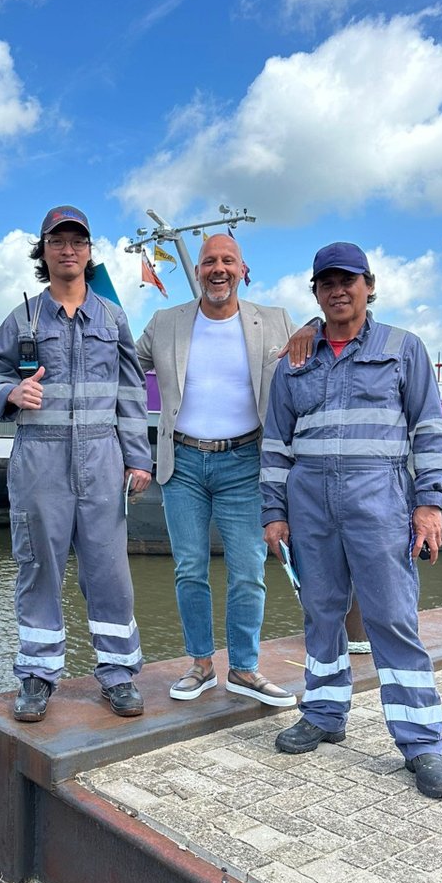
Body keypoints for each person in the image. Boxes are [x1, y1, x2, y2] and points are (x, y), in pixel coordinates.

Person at [261, 242, 442, 800]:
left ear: (369, 285)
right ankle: (324, 712)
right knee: (320, 610)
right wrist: (273, 512)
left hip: (381, 500)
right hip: (310, 504)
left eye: (348, 280)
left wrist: (429, 503)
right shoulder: (295, 360)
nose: (338, 290)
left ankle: (422, 742)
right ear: (316, 293)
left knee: (392, 617)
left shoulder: (404, 348)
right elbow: (276, 443)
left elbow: (429, 430)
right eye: (327, 282)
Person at [0, 206, 153, 723]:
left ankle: (118, 674)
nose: (68, 250)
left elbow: (131, 391)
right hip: (40, 459)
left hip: (101, 456)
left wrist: (138, 456)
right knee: (39, 566)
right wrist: (10, 391)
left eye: (77, 242)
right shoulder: (22, 319)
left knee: (109, 570)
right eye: (58, 242)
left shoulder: (112, 318)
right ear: (44, 251)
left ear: (88, 251)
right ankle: (37, 676)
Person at [135, 233, 311, 707]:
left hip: (246, 461)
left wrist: (312, 325)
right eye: (209, 260)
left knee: (248, 569)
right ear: (198, 272)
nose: (217, 268)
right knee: (189, 568)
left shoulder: (274, 321)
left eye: (227, 260)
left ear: (242, 269)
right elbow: (122, 363)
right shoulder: (166, 321)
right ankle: (200, 665)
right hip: (184, 462)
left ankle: (245, 669)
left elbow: (317, 351)